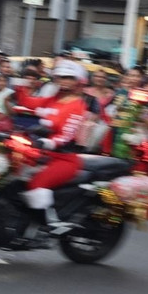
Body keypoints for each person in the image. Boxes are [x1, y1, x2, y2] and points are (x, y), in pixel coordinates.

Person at [15, 60, 91, 229]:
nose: (63, 80)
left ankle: (48, 225)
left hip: (64, 159)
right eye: (61, 77)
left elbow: (66, 135)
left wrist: (49, 142)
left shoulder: (77, 106)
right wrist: (20, 84)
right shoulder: (53, 99)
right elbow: (28, 102)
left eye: (69, 77)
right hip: (40, 154)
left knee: (37, 183)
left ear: (78, 80)